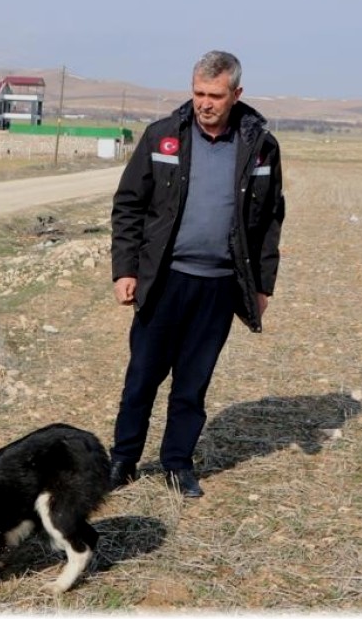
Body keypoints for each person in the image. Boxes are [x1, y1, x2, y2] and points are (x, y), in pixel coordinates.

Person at [108, 51, 285, 498]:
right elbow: (128, 205)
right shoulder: (163, 136)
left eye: (215, 95)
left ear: (236, 94)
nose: (205, 103)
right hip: (165, 280)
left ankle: (177, 464)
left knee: (192, 383)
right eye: (198, 93)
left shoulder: (261, 146)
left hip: (220, 286)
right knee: (142, 377)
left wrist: (262, 285)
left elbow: (269, 220)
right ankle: (123, 460)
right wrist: (125, 269)